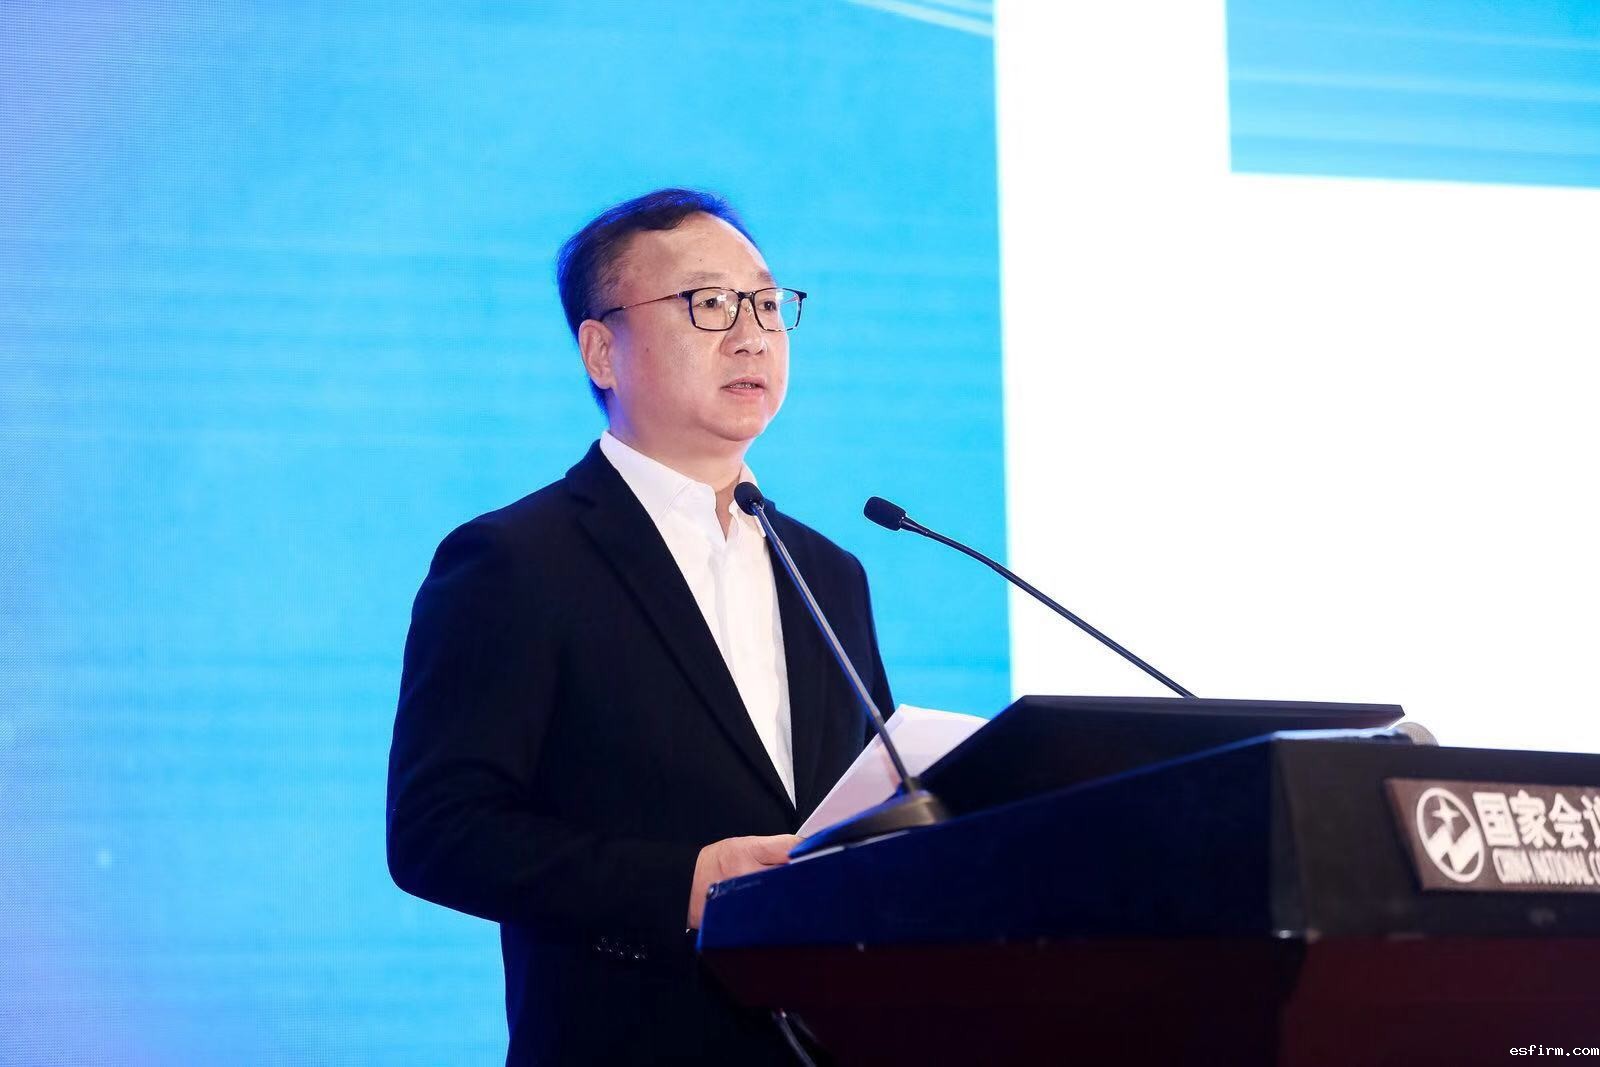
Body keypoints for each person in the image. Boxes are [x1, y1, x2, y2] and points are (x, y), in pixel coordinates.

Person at [386, 188, 893, 1065]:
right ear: (601, 351)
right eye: (710, 303)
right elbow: (439, 831)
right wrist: (680, 884)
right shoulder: (516, 561)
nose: (753, 335)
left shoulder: (829, 572)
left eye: (767, 303)